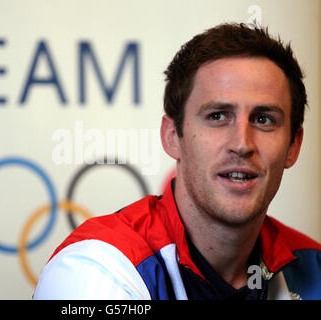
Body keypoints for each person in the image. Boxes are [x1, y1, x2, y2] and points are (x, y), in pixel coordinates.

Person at [33, 23, 321, 300]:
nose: (242, 144)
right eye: (218, 116)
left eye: (263, 119)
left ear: (293, 146)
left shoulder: (315, 267)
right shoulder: (97, 267)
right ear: (172, 136)